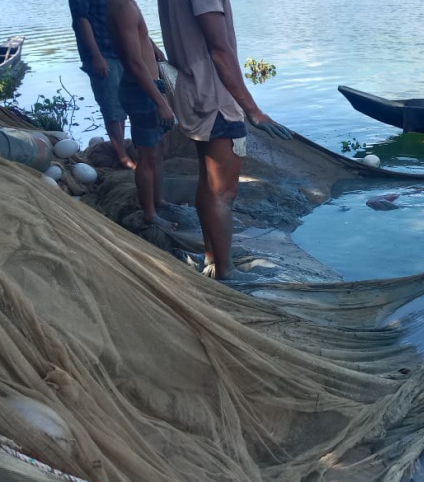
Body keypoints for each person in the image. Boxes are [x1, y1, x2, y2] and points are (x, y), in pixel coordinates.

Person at [157, 0, 292, 281]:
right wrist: (253, 111)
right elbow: (220, 49)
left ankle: (211, 257)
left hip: (194, 92)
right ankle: (226, 272)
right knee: (223, 194)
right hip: (215, 99)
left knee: (208, 183)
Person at [106, 0, 176, 230]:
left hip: (149, 86)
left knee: (158, 152)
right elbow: (134, 63)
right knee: (147, 156)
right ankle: (150, 214)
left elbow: (137, 38)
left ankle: (159, 201)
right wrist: (160, 102)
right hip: (141, 90)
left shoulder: (129, 3)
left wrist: (152, 45)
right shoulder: (122, 7)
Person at [69, 0, 135, 169]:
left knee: (122, 105)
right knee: (111, 107)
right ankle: (122, 156)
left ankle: (122, 149)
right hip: (103, 55)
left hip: (121, 52)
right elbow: (81, 21)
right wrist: (96, 56)